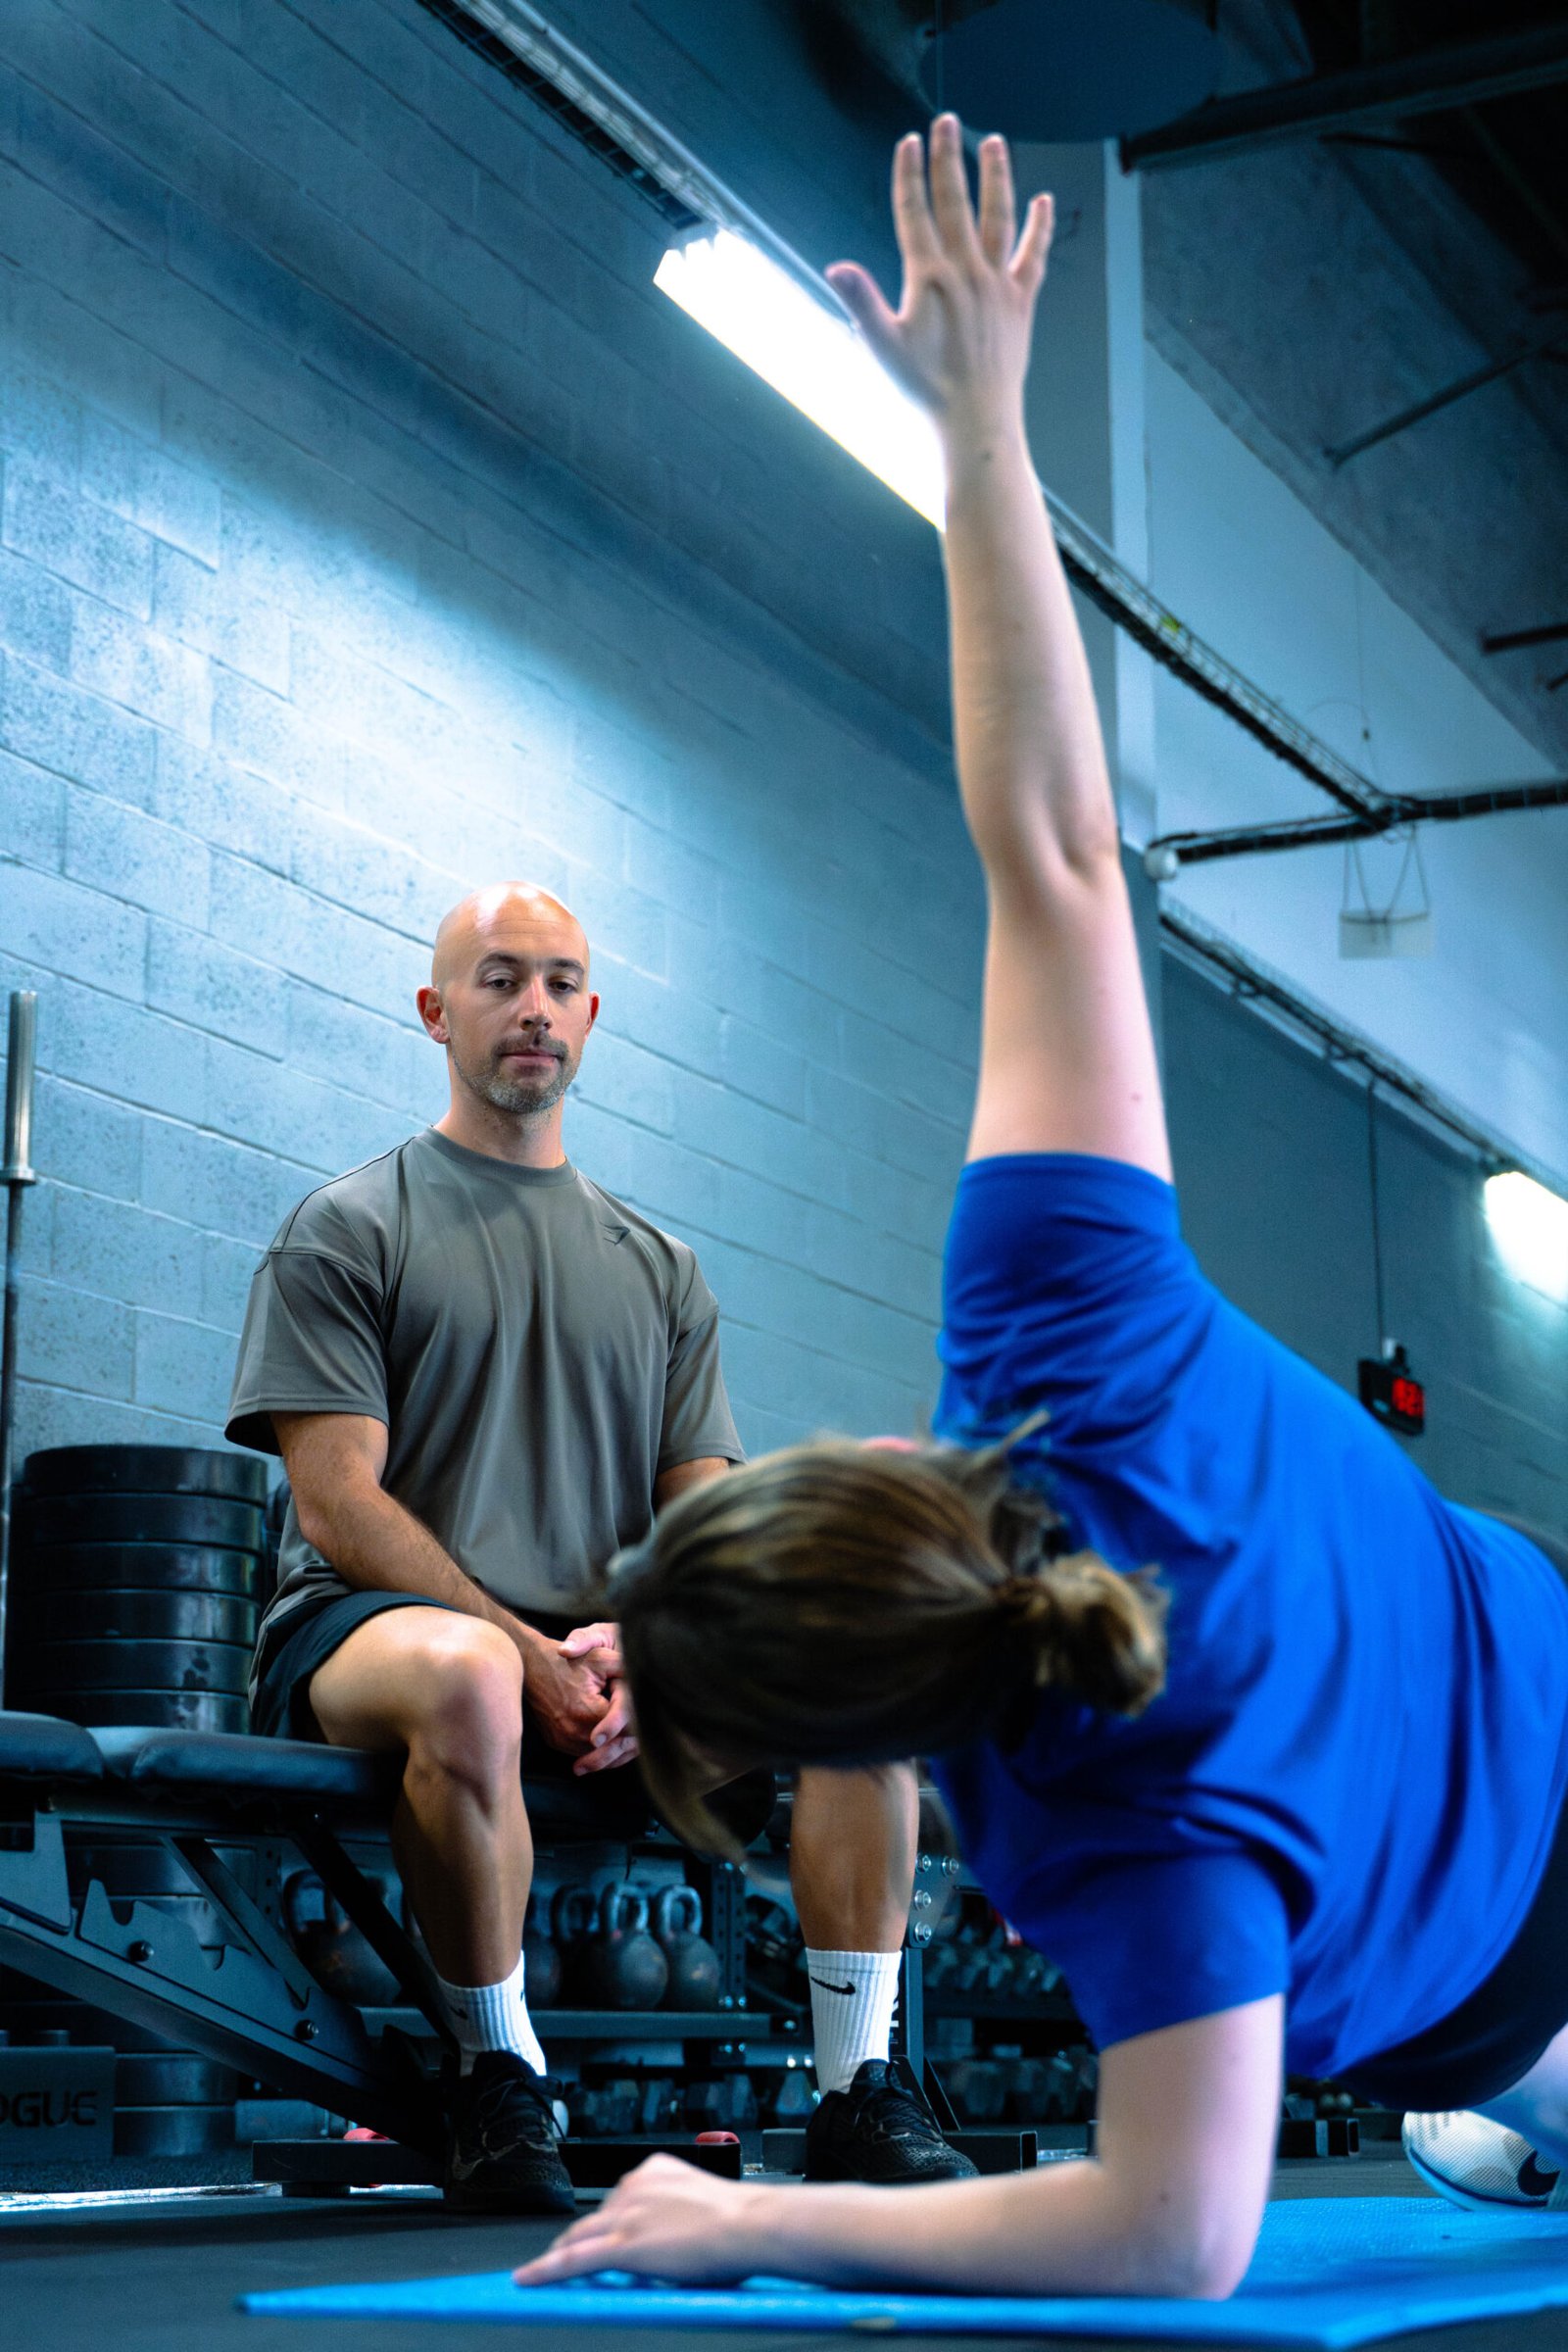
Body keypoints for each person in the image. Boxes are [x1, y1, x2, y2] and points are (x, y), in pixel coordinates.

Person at [515, 119, 1568, 2299]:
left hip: (1498, 1965)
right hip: (1534, 1664)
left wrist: (749, 2215)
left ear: (863, 1769)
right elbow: (1063, 857)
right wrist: (979, 429)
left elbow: (1174, 2231)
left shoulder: (1109, 1837)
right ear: (865, 1461)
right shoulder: (1052, 1332)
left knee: (1481, 2099)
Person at [228, 881, 973, 2211]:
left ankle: (859, 2087)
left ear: (589, 1017)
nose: (534, 1007)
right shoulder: (348, 1227)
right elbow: (339, 1506)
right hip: (374, 1637)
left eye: (561, 983)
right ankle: (496, 2077)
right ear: (435, 1010)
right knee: (468, 1672)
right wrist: (527, 1653)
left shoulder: (660, 1268)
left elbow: (707, 1523)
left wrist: (648, 1641)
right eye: (500, 977)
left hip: (600, 1662)